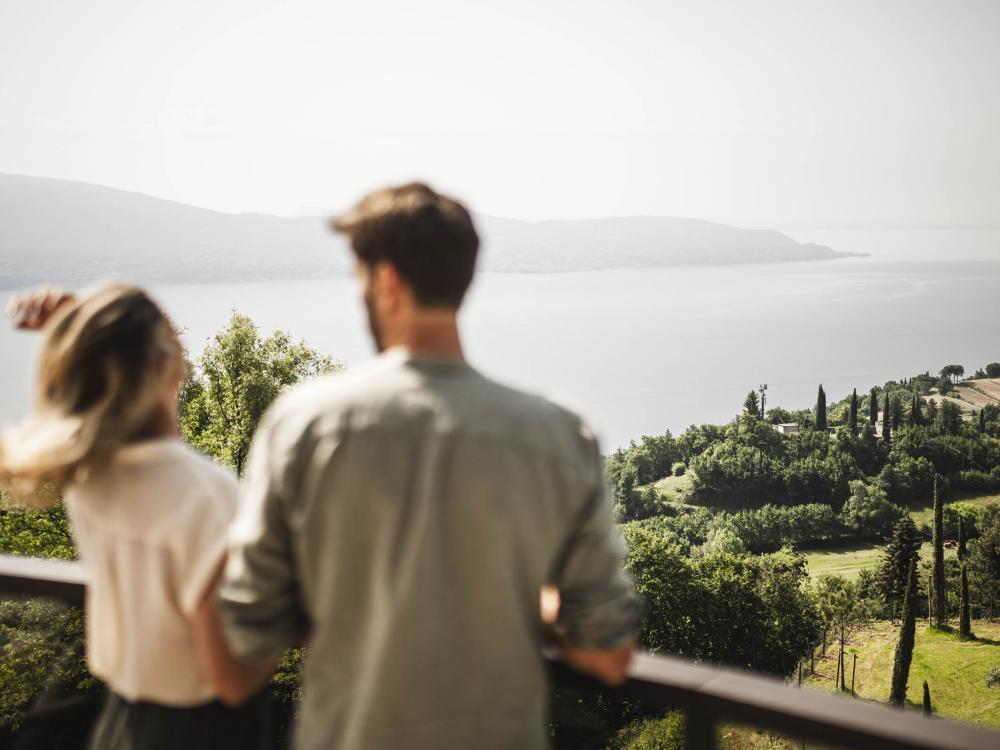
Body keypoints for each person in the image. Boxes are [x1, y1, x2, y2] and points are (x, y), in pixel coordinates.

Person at [217, 182, 639, 750]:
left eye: (359, 279)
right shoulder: (561, 435)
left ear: (387, 281)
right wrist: (521, 597)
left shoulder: (303, 424)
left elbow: (244, 645)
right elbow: (609, 653)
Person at [0, 284, 274, 750]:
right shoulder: (203, 494)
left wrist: (81, 325)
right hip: (202, 735)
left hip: (119, 722)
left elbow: (110, 360)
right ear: (165, 359)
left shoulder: (87, 473)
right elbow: (232, 679)